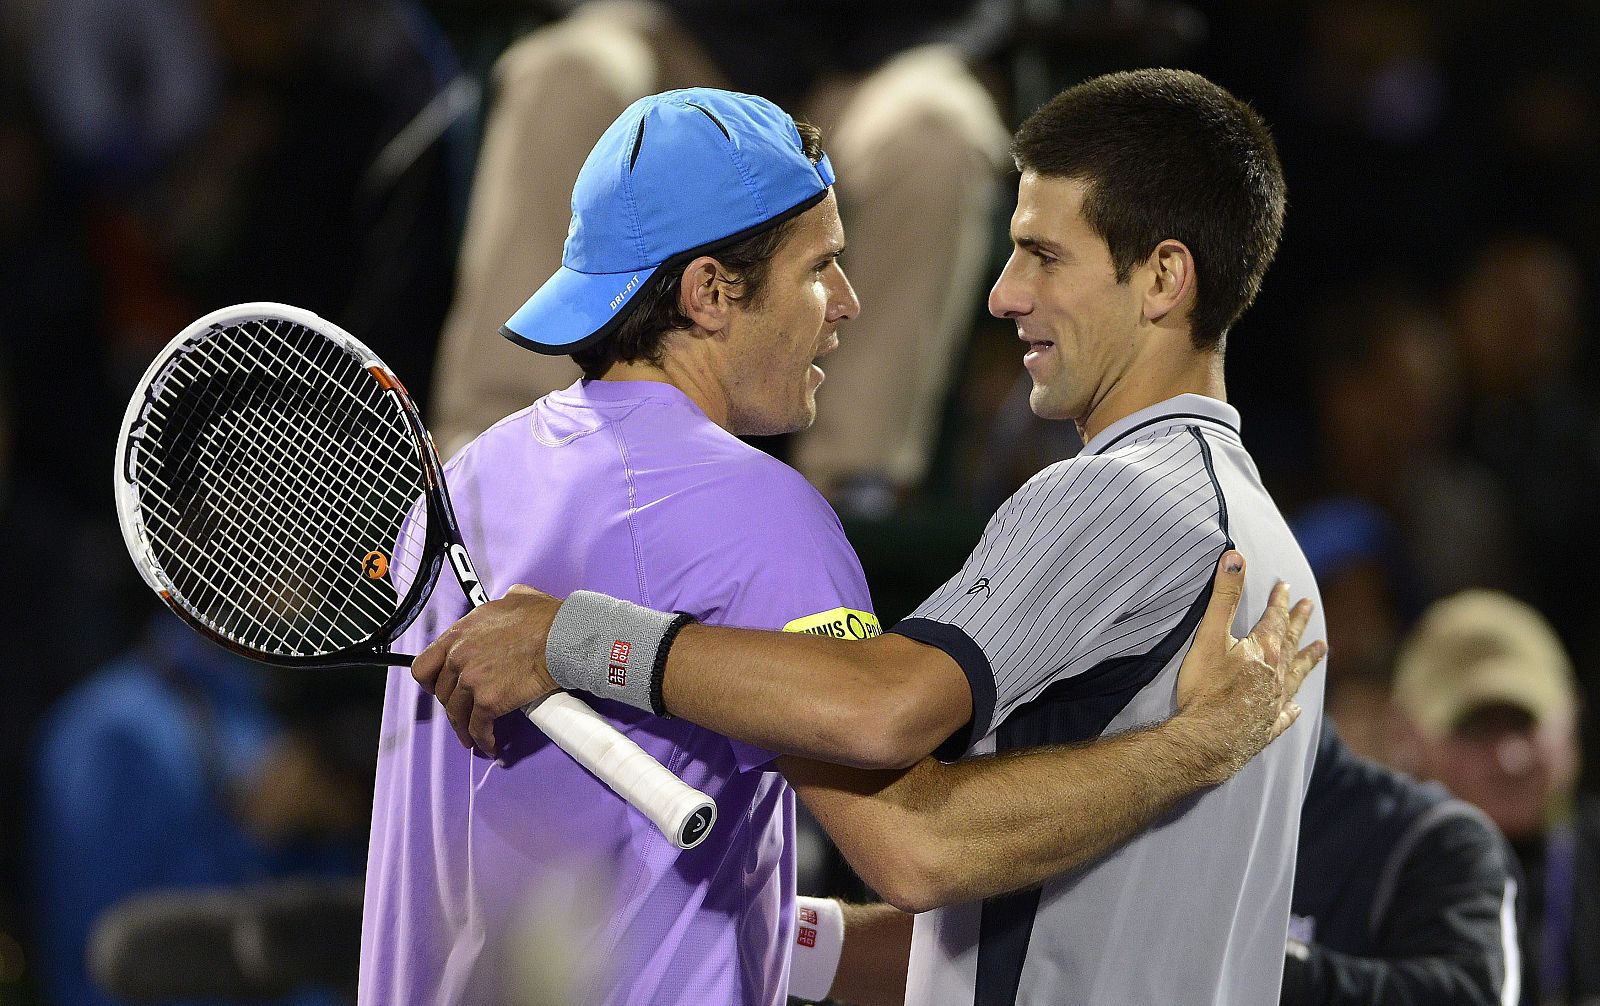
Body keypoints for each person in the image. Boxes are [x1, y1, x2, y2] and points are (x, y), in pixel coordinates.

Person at [370, 85, 1320, 1005]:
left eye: (1042, 255)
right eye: (820, 266)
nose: (850, 302)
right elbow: (917, 844)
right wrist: (1198, 745)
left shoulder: (465, 484)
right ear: (708, 292)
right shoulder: (758, 514)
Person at [426, 1, 1013, 508]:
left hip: (874, 58)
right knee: (571, 71)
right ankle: (496, 461)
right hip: (679, 37)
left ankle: (848, 496)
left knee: (935, 135)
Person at [31, 615, 372, 1006]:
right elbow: (111, 952)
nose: (299, 577)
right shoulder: (109, 735)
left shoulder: (265, 703)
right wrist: (253, 831)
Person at [1392, 590, 1600, 1005]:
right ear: (1406, 737)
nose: (1510, 759)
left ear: (1572, 721)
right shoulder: (1377, 881)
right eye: (1476, 729)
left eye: (1525, 723)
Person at [1287, 723, 1521, 1005]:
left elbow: (1469, 995)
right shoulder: (1225, 821)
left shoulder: (1440, 836)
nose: (1507, 757)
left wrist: (1281, 972)